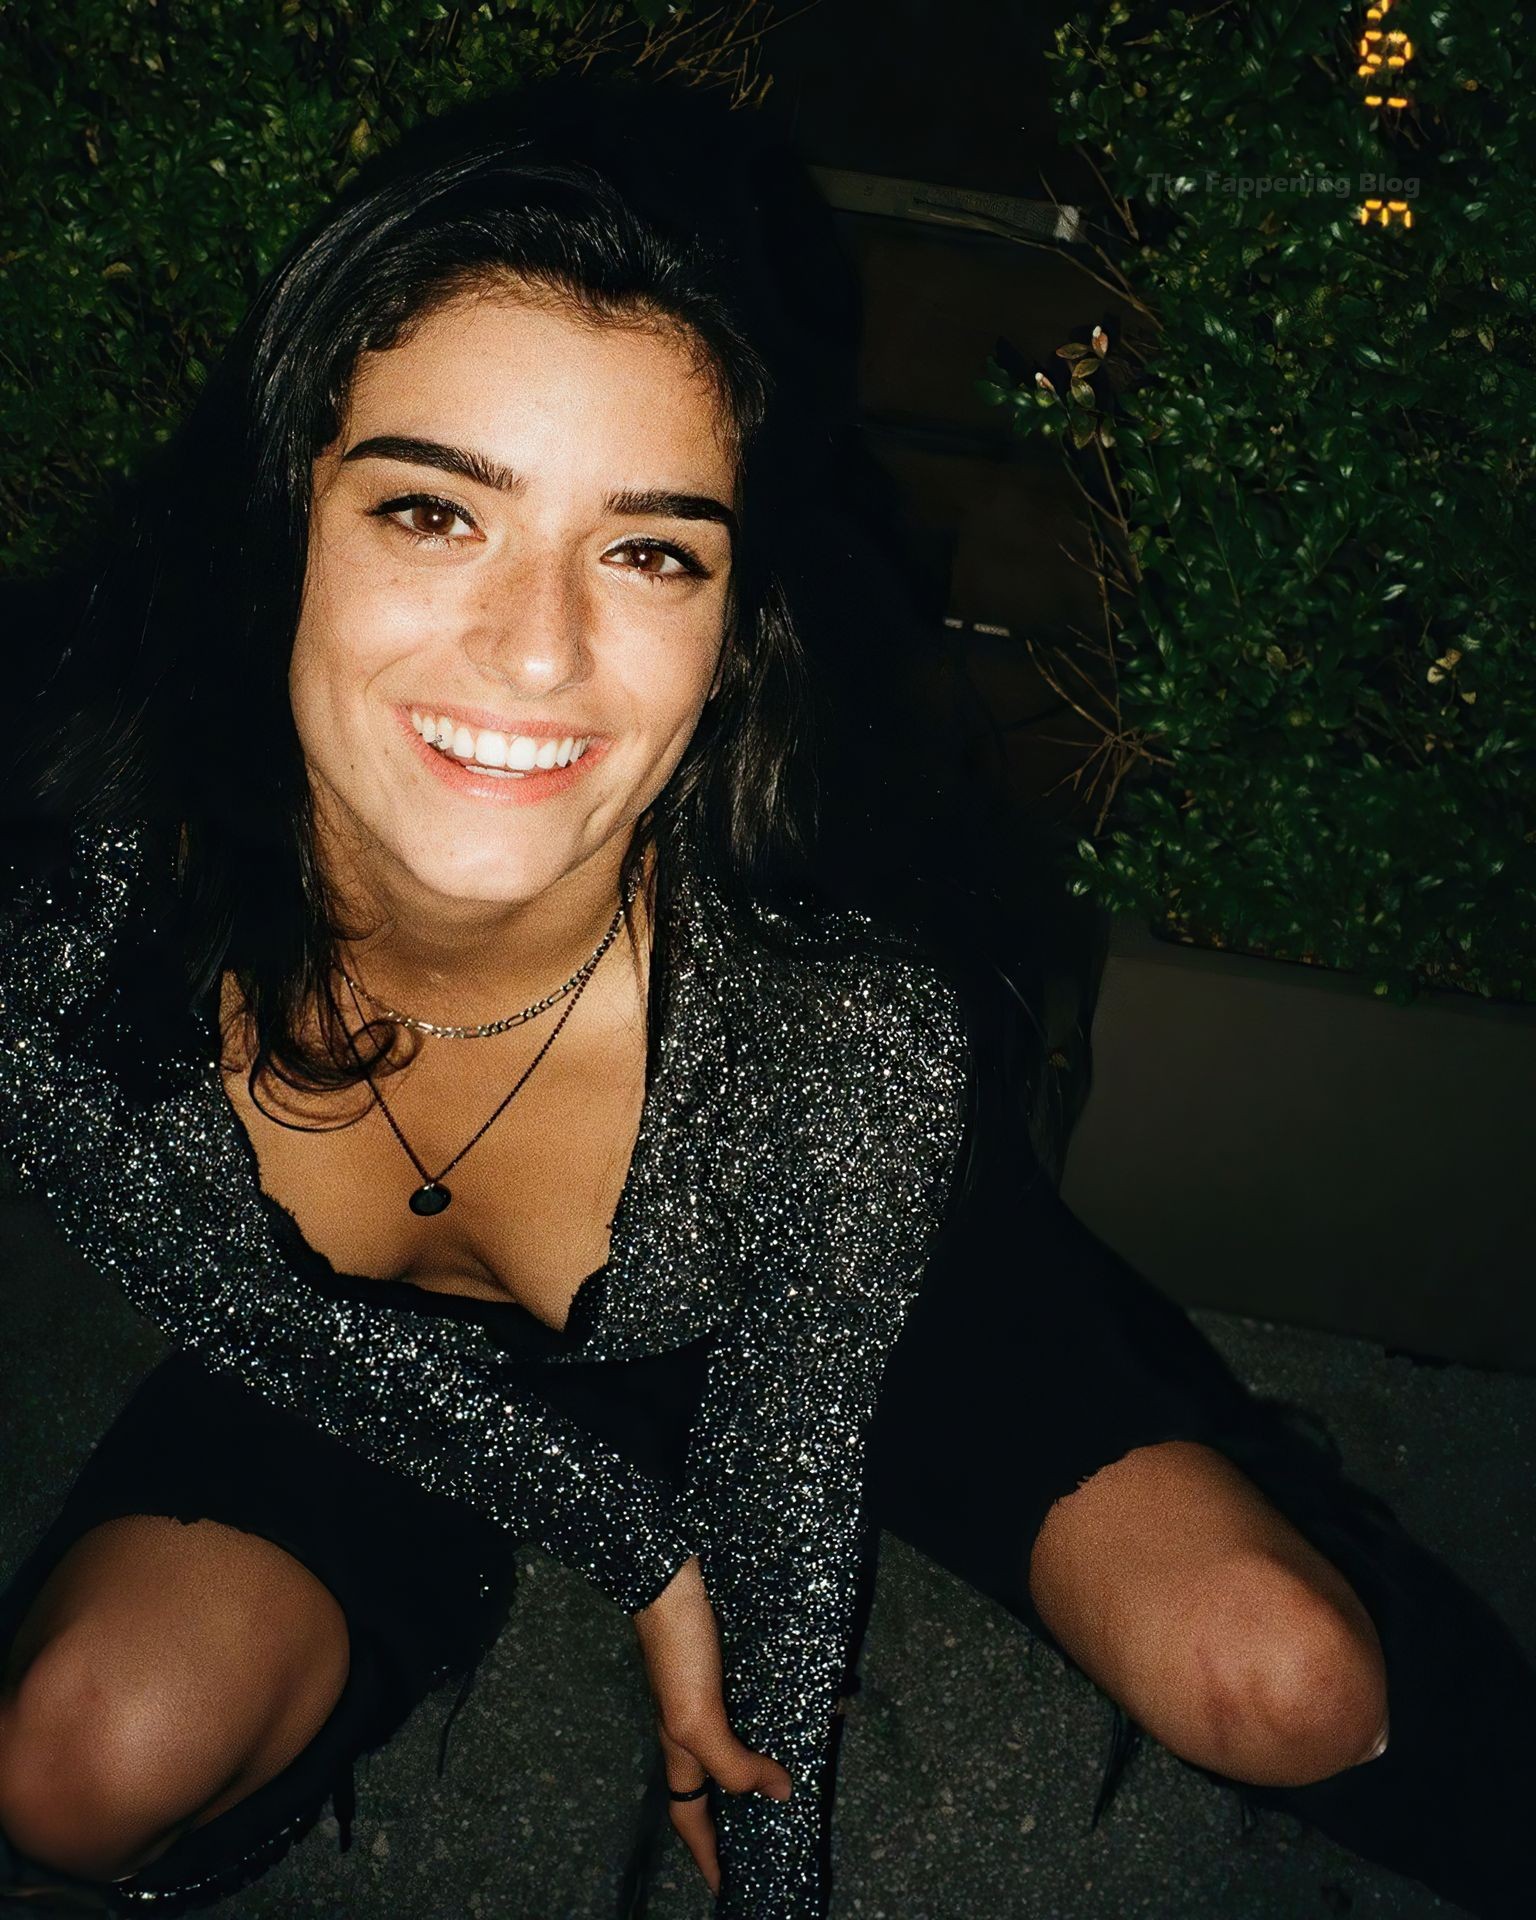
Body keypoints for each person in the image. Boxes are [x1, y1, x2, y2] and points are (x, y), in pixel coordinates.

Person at [0, 67, 1531, 1920]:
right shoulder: (74, 934)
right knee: (71, 1773)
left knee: (1289, 1681)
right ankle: (425, 1580)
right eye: (433, 512)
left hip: (863, 1299)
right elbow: (241, 1302)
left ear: (730, 633)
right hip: (378, 1367)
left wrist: (765, 1861)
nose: (538, 648)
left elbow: (782, 1554)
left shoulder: (842, 1031)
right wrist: (640, 1553)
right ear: (279, 524)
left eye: (649, 550)